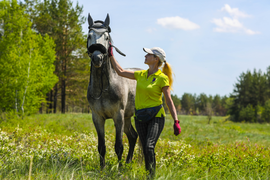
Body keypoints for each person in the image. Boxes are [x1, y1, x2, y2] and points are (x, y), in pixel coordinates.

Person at [108, 45, 181, 178]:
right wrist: (111, 55)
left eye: (148, 54)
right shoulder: (140, 75)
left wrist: (176, 121)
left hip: (156, 117)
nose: (145, 56)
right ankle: (149, 175)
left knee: (149, 146)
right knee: (145, 150)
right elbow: (120, 71)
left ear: (156, 59)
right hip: (140, 117)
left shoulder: (162, 78)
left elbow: (169, 100)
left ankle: (151, 176)